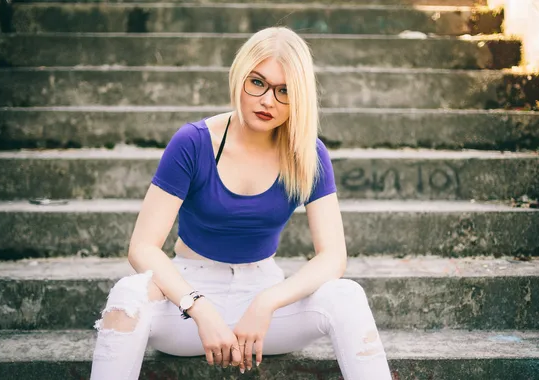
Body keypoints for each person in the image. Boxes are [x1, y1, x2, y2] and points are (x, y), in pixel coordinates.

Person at [90, 27, 392, 380]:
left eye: (284, 91)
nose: (268, 101)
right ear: (239, 76)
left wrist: (266, 302)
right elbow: (142, 247)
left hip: (264, 302)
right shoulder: (193, 142)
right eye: (257, 83)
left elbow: (333, 257)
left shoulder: (309, 154)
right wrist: (199, 308)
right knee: (128, 294)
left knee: (346, 295)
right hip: (188, 299)